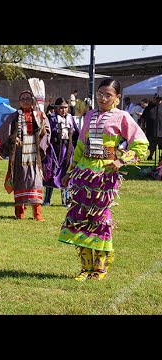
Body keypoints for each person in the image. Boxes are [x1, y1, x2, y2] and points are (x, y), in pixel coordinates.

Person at [58, 78, 149, 281]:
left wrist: (121, 160)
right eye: (100, 93)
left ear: (117, 98)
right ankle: (85, 268)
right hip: (83, 174)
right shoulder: (89, 115)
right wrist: (69, 172)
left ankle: (99, 268)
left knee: (99, 219)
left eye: (108, 95)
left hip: (105, 176)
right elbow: (81, 146)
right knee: (80, 217)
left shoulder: (122, 117)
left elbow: (141, 144)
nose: (103, 98)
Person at [0, 90, 50, 221]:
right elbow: (4, 132)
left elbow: (46, 133)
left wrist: (43, 126)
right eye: (23, 99)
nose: (25, 101)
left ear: (33, 100)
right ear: (19, 102)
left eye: (28, 98)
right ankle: (19, 212)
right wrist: (13, 139)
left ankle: (37, 213)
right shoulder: (14, 117)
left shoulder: (39, 115)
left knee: (36, 182)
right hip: (19, 154)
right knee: (19, 182)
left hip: (34, 155)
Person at [42, 98, 79, 206]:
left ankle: (66, 200)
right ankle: (47, 200)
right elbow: (45, 132)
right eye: (61, 108)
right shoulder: (51, 118)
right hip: (54, 149)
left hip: (67, 150)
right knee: (51, 173)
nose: (64, 110)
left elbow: (77, 133)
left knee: (67, 172)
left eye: (66, 108)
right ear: (56, 108)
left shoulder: (70, 118)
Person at [140, 94, 162, 161]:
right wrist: (143, 127)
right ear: (154, 98)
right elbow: (143, 118)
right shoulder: (148, 108)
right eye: (156, 98)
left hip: (161, 130)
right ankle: (150, 155)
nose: (157, 99)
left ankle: (161, 157)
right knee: (151, 146)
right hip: (151, 130)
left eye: (159, 98)